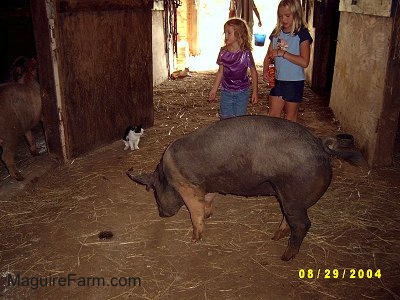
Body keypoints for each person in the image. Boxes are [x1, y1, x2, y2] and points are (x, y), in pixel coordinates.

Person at [263, 0, 312, 122]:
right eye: (280, 16)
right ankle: (273, 141)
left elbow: (304, 62)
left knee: (290, 119)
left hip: (294, 82)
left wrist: (283, 54)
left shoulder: (302, 34)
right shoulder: (276, 33)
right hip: (279, 80)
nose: (283, 19)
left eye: (287, 16)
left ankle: (289, 141)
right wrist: (265, 70)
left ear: (296, 14)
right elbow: (268, 56)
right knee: (273, 117)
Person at [209, 18, 258, 120]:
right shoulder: (223, 52)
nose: (226, 36)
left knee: (239, 120)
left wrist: (255, 91)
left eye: (229, 33)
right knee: (225, 120)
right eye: (225, 33)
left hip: (242, 92)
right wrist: (214, 89)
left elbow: (253, 71)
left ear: (239, 34)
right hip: (226, 91)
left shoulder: (245, 53)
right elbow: (220, 72)